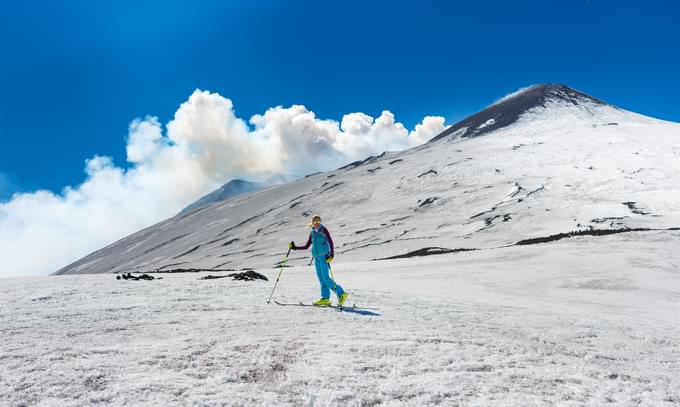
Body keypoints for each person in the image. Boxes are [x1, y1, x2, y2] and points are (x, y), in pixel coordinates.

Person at [290, 215, 349, 306]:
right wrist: (294, 248)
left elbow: (330, 242)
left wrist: (332, 254)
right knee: (321, 279)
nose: (317, 223)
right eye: (315, 221)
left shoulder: (324, 230)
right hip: (316, 257)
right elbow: (306, 246)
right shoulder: (312, 233)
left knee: (326, 278)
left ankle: (341, 294)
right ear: (312, 223)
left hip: (324, 256)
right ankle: (325, 298)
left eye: (318, 221)